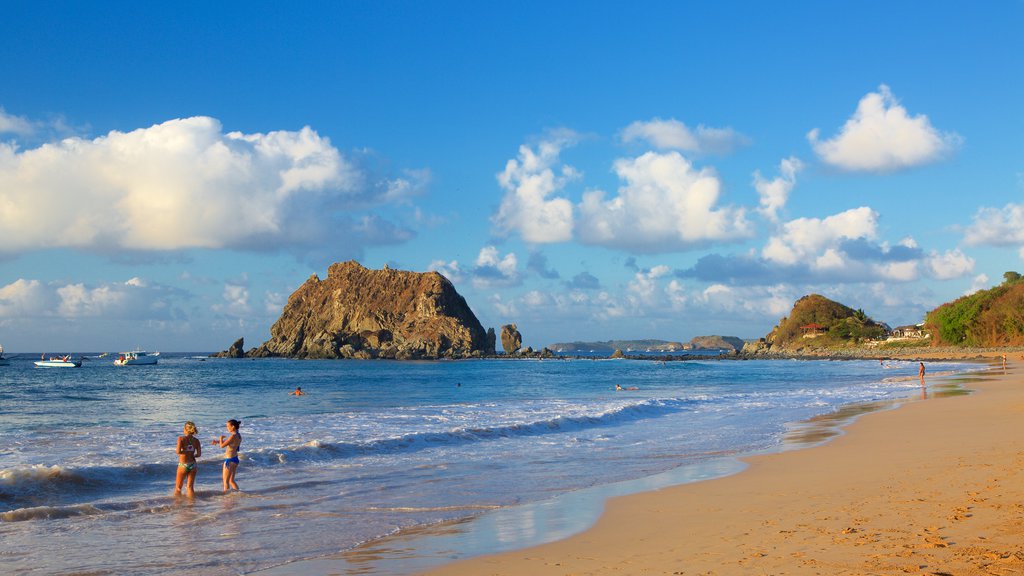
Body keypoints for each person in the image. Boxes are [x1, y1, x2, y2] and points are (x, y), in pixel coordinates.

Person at [212, 419, 242, 491]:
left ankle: (226, 498)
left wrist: (221, 438)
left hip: (229, 460)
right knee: (231, 480)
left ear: (233, 427)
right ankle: (238, 493)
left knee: (225, 481)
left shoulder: (232, 436)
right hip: (235, 459)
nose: (227, 428)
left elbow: (222, 446)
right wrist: (218, 441)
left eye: (228, 426)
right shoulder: (238, 435)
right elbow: (229, 442)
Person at [175, 421, 202, 496]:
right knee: (190, 487)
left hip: (183, 465)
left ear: (186, 429)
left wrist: (185, 451)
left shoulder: (181, 438)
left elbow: (178, 451)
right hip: (193, 464)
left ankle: (177, 505)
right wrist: (193, 455)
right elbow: (199, 454)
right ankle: (191, 504)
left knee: (178, 488)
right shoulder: (196, 441)